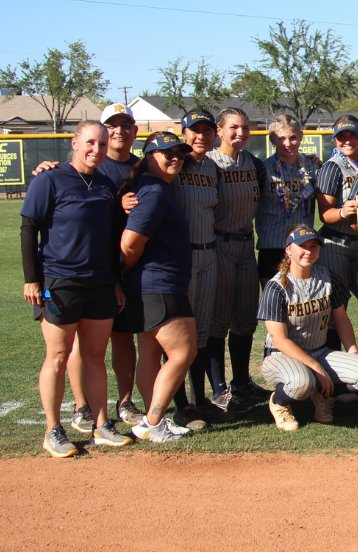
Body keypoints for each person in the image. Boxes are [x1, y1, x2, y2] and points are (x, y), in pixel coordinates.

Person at [21, 120, 133, 457]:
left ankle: (101, 426)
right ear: (74, 142)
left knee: (95, 357)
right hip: (60, 281)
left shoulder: (104, 185)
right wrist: (32, 279)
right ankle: (52, 430)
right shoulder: (50, 179)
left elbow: (112, 237)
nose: (96, 150)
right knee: (57, 356)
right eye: (90, 143)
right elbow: (29, 229)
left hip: (99, 282)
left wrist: (114, 280)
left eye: (101, 144)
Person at [258, 225, 358, 431]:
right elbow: (280, 340)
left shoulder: (327, 277)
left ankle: (321, 396)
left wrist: (353, 351)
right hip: (280, 356)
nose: (308, 251)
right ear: (288, 250)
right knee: (301, 383)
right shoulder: (276, 287)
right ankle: (279, 402)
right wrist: (316, 368)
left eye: (313, 246)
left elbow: (341, 318)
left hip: (319, 351)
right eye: (302, 246)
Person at [119, 132, 197, 443]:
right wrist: (123, 270)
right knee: (183, 351)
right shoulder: (154, 191)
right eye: (167, 152)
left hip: (149, 283)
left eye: (179, 152)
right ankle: (152, 421)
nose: (175, 157)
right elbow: (130, 244)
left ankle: (156, 420)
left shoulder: (154, 187)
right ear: (149, 156)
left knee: (149, 352)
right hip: (159, 282)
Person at [169, 109, 232, 428]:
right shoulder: (173, 160)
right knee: (180, 336)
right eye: (194, 131)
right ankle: (180, 406)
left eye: (206, 131)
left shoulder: (211, 166)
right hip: (183, 257)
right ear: (184, 133)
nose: (201, 136)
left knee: (202, 332)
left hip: (210, 252)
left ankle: (200, 400)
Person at [206, 107, 270, 412]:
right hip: (220, 243)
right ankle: (219, 388)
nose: (239, 133)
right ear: (219, 130)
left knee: (246, 319)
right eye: (233, 127)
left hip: (247, 245)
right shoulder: (208, 163)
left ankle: (242, 381)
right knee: (218, 320)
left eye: (245, 128)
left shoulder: (253, 164)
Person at [315, 115, 358, 313]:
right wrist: (343, 211)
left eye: (352, 135)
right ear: (335, 140)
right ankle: (334, 346)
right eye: (341, 136)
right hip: (336, 244)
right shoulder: (332, 167)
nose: (347, 140)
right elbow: (325, 215)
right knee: (336, 310)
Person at [258, 114, 319, 287]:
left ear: (300, 136)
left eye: (293, 138)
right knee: (275, 301)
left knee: (302, 300)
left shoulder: (313, 166)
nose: (287, 143)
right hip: (272, 245)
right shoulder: (262, 168)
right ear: (272, 140)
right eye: (281, 138)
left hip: (303, 245)